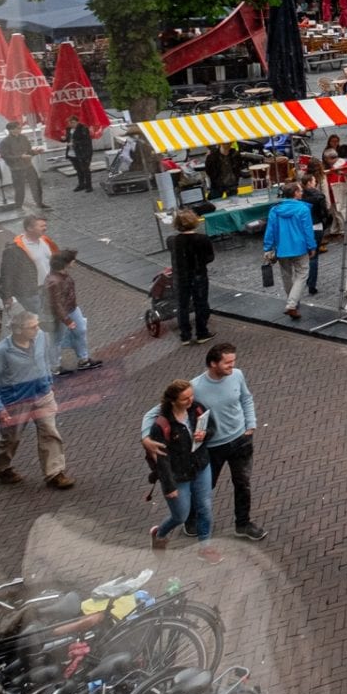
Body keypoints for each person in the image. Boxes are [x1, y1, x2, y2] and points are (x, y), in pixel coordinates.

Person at [143, 342, 266, 541]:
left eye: (233, 361)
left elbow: (246, 398)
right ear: (212, 363)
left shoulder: (237, 375)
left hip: (241, 441)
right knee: (205, 488)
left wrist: (250, 425)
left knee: (243, 484)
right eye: (227, 362)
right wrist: (145, 437)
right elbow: (155, 412)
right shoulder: (195, 388)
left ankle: (243, 524)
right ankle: (191, 520)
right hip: (212, 447)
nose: (232, 366)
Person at [0, 312, 72, 488]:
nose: (37, 329)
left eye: (37, 324)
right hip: (17, 402)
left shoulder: (40, 338)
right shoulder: (1, 352)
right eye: (32, 327)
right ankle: (1, 467)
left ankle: (55, 473)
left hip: (42, 396)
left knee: (50, 432)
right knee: (12, 438)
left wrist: (48, 381)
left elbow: (43, 359)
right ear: (17, 330)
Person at [144, 378, 220, 563]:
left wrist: (205, 434)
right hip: (179, 476)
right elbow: (162, 460)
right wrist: (169, 487)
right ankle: (160, 533)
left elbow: (212, 428)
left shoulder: (197, 409)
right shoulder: (161, 426)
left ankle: (205, 547)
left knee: (205, 507)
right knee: (181, 515)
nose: (191, 401)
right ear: (173, 401)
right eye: (185, 398)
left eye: (192, 396)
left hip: (201, 466)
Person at [262, 183, 317, 320]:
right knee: (302, 275)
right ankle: (292, 304)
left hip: (282, 249)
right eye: (300, 190)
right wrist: (312, 246)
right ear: (295, 193)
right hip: (299, 248)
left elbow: (270, 231)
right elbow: (307, 230)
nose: (301, 192)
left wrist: (268, 248)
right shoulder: (303, 209)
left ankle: (292, 301)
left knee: (286, 276)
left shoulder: (275, 210)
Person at [42, 249, 99, 374]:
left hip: (71, 308)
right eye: (73, 260)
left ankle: (83, 359)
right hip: (61, 314)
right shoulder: (55, 281)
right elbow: (56, 304)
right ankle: (55, 367)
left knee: (81, 330)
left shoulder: (61, 274)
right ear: (66, 263)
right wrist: (67, 320)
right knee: (56, 340)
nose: (74, 262)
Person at [168, 208, 217, 345]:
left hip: (180, 276)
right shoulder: (202, 239)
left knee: (182, 305)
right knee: (200, 303)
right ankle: (202, 332)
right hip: (198, 275)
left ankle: (185, 335)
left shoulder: (172, 240)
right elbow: (210, 257)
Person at [0, 214, 57, 318]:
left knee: (49, 318)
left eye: (45, 225)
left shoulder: (45, 241)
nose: (45, 228)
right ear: (29, 228)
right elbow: (7, 273)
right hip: (30, 292)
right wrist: (7, 296)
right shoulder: (14, 249)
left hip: (47, 288)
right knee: (40, 320)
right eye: (41, 226)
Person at [0, 120, 49, 210]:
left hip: (28, 166)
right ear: (11, 130)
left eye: (20, 128)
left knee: (36, 185)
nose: (20, 129)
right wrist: (20, 157)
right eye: (18, 128)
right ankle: (18, 206)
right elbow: (5, 156)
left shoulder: (24, 138)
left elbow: (29, 151)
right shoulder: (5, 142)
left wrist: (35, 152)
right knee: (19, 188)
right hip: (16, 168)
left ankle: (39, 203)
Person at [67, 117, 95, 193]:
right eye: (70, 123)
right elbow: (68, 139)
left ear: (77, 122)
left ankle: (89, 186)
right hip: (72, 152)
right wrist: (63, 139)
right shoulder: (69, 130)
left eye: (73, 122)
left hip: (83, 152)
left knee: (85, 169)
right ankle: (81, 184)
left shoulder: (83, 128)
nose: (71, 124)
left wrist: (74, 143)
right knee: (78, 169)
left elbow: (86, 141)